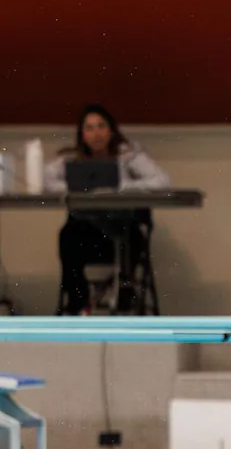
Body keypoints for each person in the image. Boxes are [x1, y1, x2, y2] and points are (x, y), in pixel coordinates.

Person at [44, 104, 170, 314]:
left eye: (101, 126)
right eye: (90, 128)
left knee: (130, 238)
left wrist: (122, 187)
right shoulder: (72, 159)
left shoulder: (128, 156)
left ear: (111, 131)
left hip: (123, 233)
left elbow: (163, 181)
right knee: (67, 236)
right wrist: (79, 189)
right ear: (82, 134)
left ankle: (125, 292)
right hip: (87, 235)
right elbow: (46, 179)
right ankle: (78, 301)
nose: (96, 133)